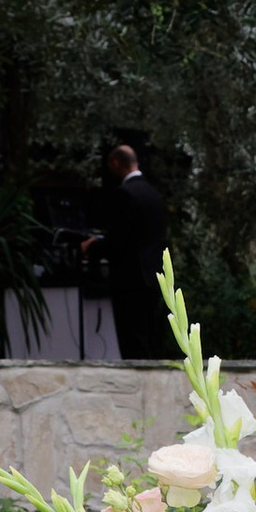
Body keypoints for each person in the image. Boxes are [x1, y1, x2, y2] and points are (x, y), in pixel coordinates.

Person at [100, 141, 170, 361]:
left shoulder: (125, 194)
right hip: (154, 278)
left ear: (116, 163)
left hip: (130, 279)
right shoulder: (154, 194)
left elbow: (119, 240)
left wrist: (93, 247)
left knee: (132, 341)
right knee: (149, 338)